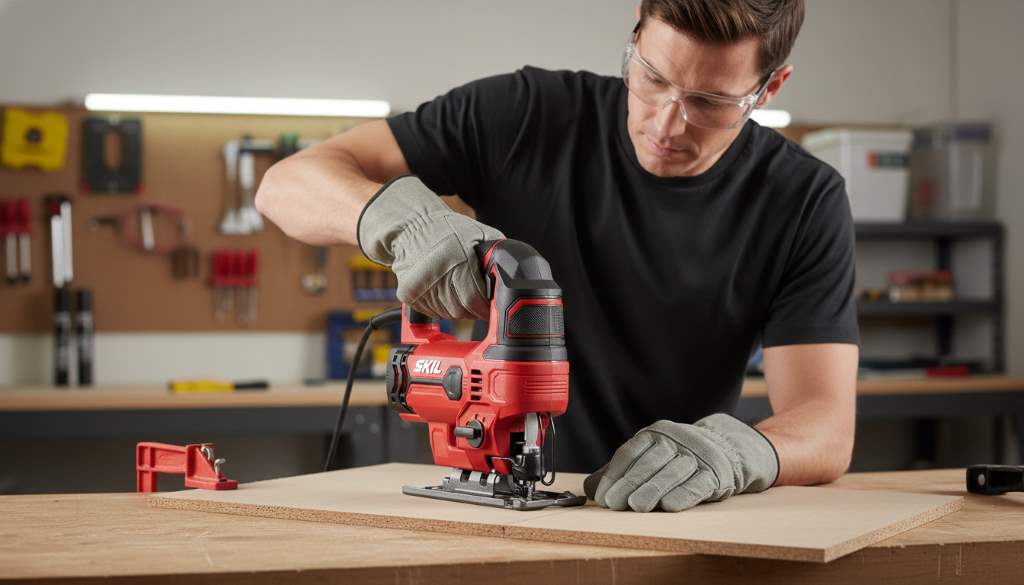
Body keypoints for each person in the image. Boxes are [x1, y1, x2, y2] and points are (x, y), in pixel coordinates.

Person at [256, 0, 859, 513]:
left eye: (709, 101)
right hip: (493, 497)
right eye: (652, 78)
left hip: (673, 514)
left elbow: (825, 425)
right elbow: (286, 184)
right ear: (635, 39)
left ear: (768, 87)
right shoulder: (527, 116)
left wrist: (737, 453)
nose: (668, 123)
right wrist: (403, 223)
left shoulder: (803, 198)